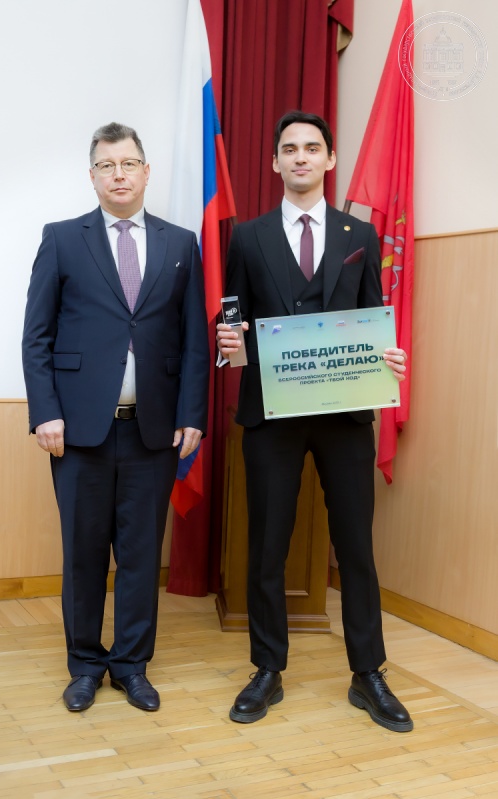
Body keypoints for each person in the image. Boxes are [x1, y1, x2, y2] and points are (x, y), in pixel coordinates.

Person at [216, 111, 412, 733]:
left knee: (355, 547)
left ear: (329, 159)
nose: (300, 157)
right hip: (271, 415)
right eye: (289, 148)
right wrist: (228, 344)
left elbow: (372, 315)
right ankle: (267, 669)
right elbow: (232, 320)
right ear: (275, 162)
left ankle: (368, 672)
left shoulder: (361, 234)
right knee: (267, 546)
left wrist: (387, 358)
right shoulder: (247, 238)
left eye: (311, 147)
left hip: (345, 415)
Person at [22, 122, 209, 713]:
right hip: (78, 433)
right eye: (107, 165)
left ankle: (131, 665)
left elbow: (194, 341)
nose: (119, 174)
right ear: (93, 175)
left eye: (128, 163)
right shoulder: (62, 239)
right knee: (83, 555)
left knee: (140, 555)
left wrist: (192, 414)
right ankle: (84, 665)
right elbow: (36, 337)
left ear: (146, 172)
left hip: (154, 431)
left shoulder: (181, 244)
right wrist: (45, 413)